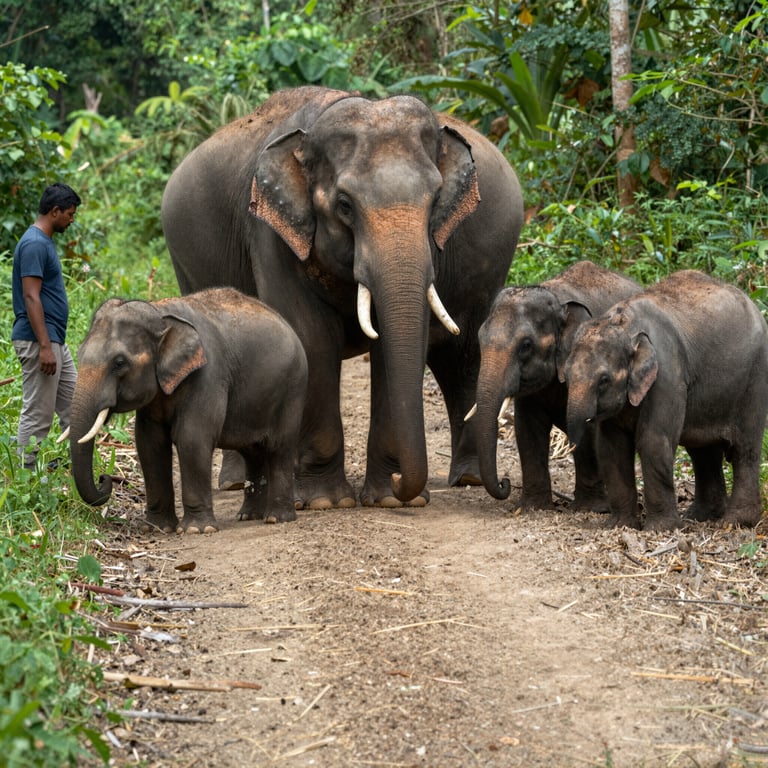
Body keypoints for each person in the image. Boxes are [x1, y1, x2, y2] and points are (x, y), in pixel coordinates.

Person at [11, 182, 81, 469]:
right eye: (70, 214)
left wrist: (53, 345)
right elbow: (31, 295)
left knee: (77, 406)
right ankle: (23, 479)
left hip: (54, 341)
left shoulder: (42, 242)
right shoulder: (34, 244)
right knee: (38, 414)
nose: (72, 220)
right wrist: (44, 346)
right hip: (40, 340)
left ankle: (75, 471)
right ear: (55, 211)